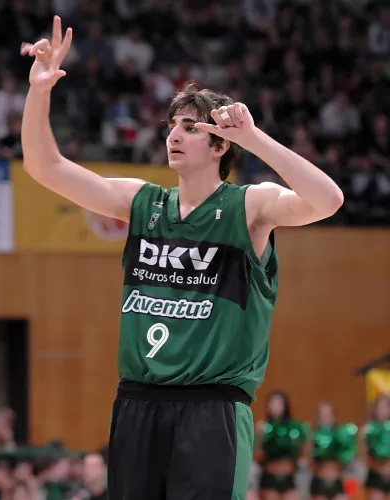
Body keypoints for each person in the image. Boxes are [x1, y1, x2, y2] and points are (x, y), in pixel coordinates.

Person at [20, 16, 343, 500]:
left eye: (189, 127)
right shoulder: (142, 202)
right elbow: (45, 167)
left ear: (220, 145)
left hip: (212, 409)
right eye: (172, 125)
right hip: (137, 403)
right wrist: (39, 90)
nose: (174, 134)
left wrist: (255, 140)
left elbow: (328, 200)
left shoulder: (249, 207)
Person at [255, 391, 309, 500]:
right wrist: (260, 436)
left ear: (285, 406)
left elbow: (303, 453)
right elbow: (257, 455)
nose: (275, 407)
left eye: (279, 403)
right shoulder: (263, 427)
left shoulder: (294, 428)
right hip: (270, 477)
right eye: (272, 403)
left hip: (289, 477)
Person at [310, 401, 358, 500]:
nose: (325, 418)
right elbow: (309, 460)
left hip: (337, 482)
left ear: (333, 416)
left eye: (328, 414)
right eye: (322, 415)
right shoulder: (313, 436)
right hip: (319, 483)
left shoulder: (341, 436)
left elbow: (349, 457)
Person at [361, 395, 390, 500]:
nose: (382, 411)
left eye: (385, 407)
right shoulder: (368, 430)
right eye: (379, 407)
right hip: (376, 476)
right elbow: (363, 456)